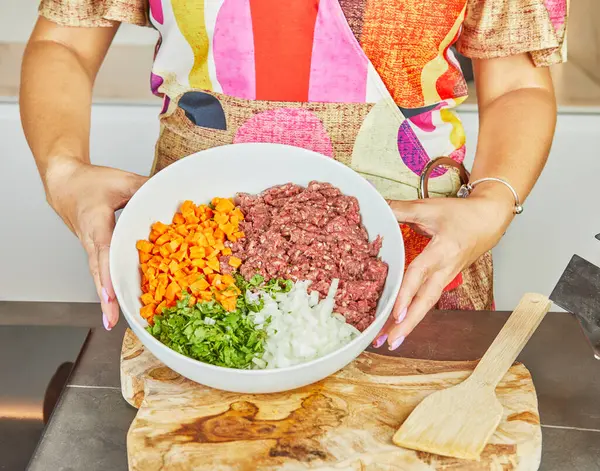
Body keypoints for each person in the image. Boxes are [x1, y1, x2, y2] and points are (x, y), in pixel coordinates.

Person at [21, 0, 567, 350]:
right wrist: (64, 170)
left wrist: (493, 202)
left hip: (418, 265)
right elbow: (63, 41)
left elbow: (517, 83)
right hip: (203, 263)